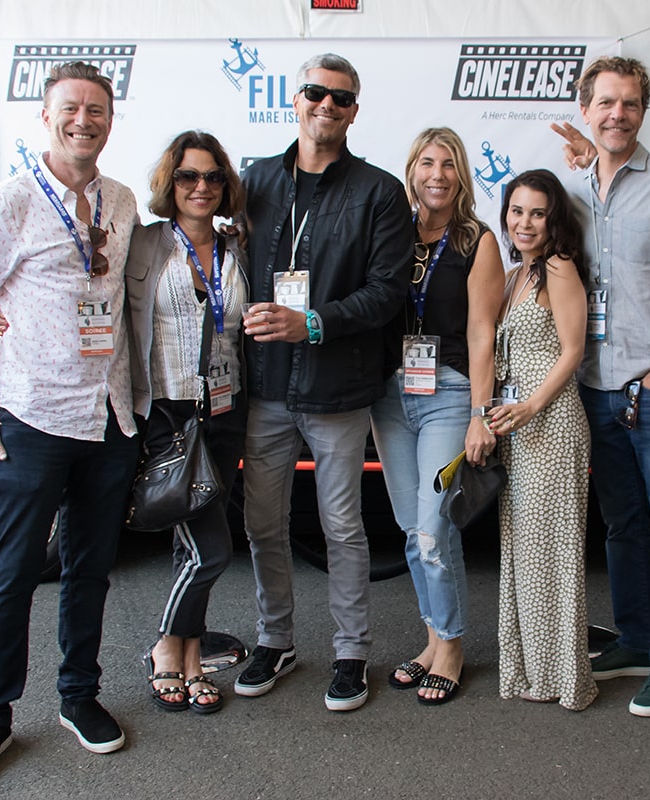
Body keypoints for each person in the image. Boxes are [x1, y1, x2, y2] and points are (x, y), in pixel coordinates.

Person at [0, 62, 140, 788]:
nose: (83, 119)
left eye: (96, 108)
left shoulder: (120, 203)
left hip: (109, 419)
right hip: (32, 417)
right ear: (45, 116)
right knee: (13, 573)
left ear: (111, 119)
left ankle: (78, 697)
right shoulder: (9, 204)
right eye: (70, 108)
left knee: (90, 570)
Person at [234, 53, 412, 711]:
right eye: (316, 93)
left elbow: (387, 293)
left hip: (337, 387)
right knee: (262, 523)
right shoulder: (253, 181)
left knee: (342, 526)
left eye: (341, 98)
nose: (326, 106)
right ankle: (274, 640)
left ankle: (351, 652)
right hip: (265, 387)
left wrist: (310, 323)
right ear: (296, 98)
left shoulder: (378, 191)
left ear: (354, 111)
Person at [551, 55, 650, 717]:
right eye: (607, 103)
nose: (619, 113)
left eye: (631, 103)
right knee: (622, 527)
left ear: (643, 111)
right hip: (595, 385)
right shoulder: (573, 194)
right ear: (587, 109)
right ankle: (638, 639)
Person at [370, 127, 504, 705]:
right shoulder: (391, 234)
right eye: (427, 162)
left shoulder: (478, 240)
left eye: (449, 164)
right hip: (390, 395)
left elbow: (481, 333)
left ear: (462, 174)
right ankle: (431, 640)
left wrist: (480, 412)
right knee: (410, 527)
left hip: (448, 393)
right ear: (412, 168)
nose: (437, 175)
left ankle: (450, 645)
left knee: (433, 528)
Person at [126, 131, 250, 715]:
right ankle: (162, 647)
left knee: (191, 543)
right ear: (169, 184)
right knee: (209, 552)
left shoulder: (235, 247)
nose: (201, 187)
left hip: (225, 411)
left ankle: (192, 657)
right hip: (169, 412)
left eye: (212, 177)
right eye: (188, 176)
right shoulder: (147, 243)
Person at [486, 169, 595, 711]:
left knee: (552, 554)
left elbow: (572, 351)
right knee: (523, 553)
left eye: (536, 212)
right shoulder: (513, 276)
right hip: (517, 430)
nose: (524, 222)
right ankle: (533, 670)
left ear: (554, 219)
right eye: (516, 210)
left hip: (551, 426)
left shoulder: (559, 268)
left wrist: (530, 404)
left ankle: (562, 676)